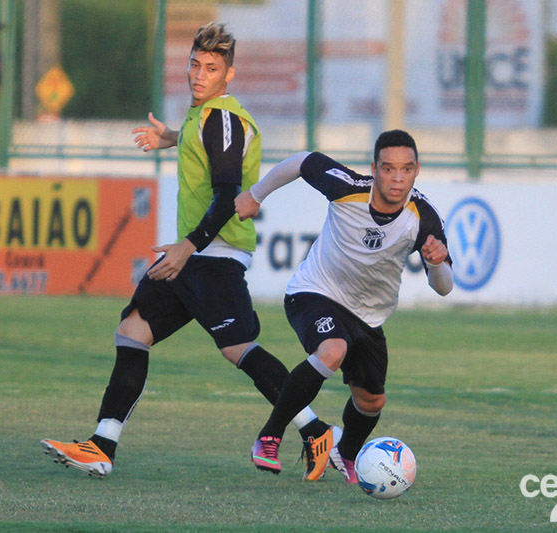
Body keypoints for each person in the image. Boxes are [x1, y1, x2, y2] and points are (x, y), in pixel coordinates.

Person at [41, 22, 335, 480]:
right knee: (133, 330)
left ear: (228, 75)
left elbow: (226, 194)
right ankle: (101, 445)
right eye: (195, 65)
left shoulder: (220, 118)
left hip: (211, 255)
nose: (199, 75)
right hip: (196, 256)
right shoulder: (208, 118)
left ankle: (315, 428)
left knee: (238, 348)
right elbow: (210, 142)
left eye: (211, 68)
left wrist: (186, 247)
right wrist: (172, 137)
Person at [236, 130, 453, 482]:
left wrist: (439, 262)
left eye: (406, 169)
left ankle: (344, 453)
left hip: (368, 315)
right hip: (314, 292)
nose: (397, 179)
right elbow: (302, 161)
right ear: (374, 168)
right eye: (388, 169)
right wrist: (255, 194)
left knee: (371, 402)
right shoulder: (347, 186)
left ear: (417, 170)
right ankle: (269, 436)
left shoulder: (424, 217)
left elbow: (443, 287)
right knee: (332, 350)